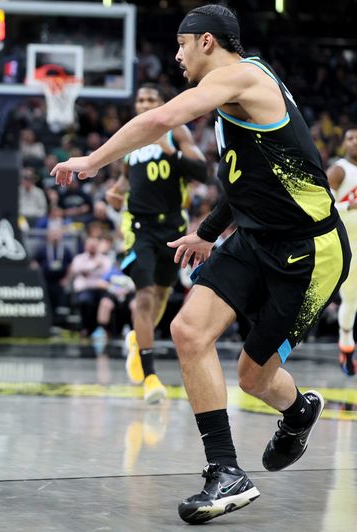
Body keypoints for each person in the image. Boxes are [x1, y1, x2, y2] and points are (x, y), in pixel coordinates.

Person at [51, 4, 349, 524]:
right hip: (256, 238)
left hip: (309, 250)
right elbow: (247, 183)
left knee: (254, 377)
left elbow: (163, 118)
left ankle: (299, 409)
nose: (176, 54)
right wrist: (207, 234)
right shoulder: (233, 98)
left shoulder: (244, 77)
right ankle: (225, 471)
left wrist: (90, 161)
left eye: (181, 44)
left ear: (207, 41)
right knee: (189, 330)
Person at [105, 83, 207, 403]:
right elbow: (125, 177)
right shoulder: (132, 136)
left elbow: (201, 171)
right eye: (140, 99)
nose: (145, 103)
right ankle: (150, 376)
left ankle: (138, 339)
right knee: (145, 294)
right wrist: (116, 191)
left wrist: (171, 151)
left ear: (163, 103)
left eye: (151, 99)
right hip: (139, 229)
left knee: (163, 292)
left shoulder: (177, 132)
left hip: (173, 227)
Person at [326, 126, 357, 375]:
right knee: (350, 301)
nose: (355, 141)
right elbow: (325, 205)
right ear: (344, 143)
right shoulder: (339, 170)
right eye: (350, 137)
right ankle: (346, 347)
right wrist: (349, 204)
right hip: (347, 244)